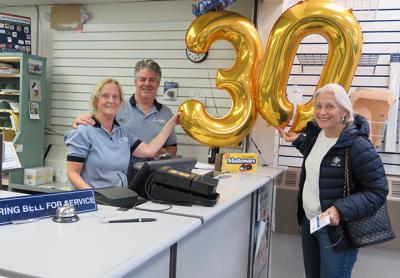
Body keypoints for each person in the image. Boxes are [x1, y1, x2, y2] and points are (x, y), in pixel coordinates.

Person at [279, 83, 388, 278]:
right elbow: (322, 159)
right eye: (318, 106)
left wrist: (340, 209)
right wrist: (297, 140)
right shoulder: (316, 135)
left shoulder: (358, 145)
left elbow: (377, 191)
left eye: (330, 106)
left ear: (344, 111)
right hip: (309, 223)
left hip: (337, 232)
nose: (322, 112)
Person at [65, 78, 179, 190]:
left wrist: (172, 122)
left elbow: (150, 150)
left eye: (115, 97)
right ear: (96, 101)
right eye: (105, 96)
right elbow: (72, 173)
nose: (111, 100)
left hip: (117, 201)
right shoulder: (83, 132)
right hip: (94, 202)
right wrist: (92, 197)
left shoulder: (123, 133)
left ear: (120, 102)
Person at [72, 59, 177, 158]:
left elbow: (171, 147)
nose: (147, 83)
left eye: (152, 80)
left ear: (158, 84)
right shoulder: (117, 107)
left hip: (152, 173)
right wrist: (80, 121)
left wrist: (162, 153)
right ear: (135, 81)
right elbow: (94, 125)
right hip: (119, 170)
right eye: (142, 79)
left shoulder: (167, 114)